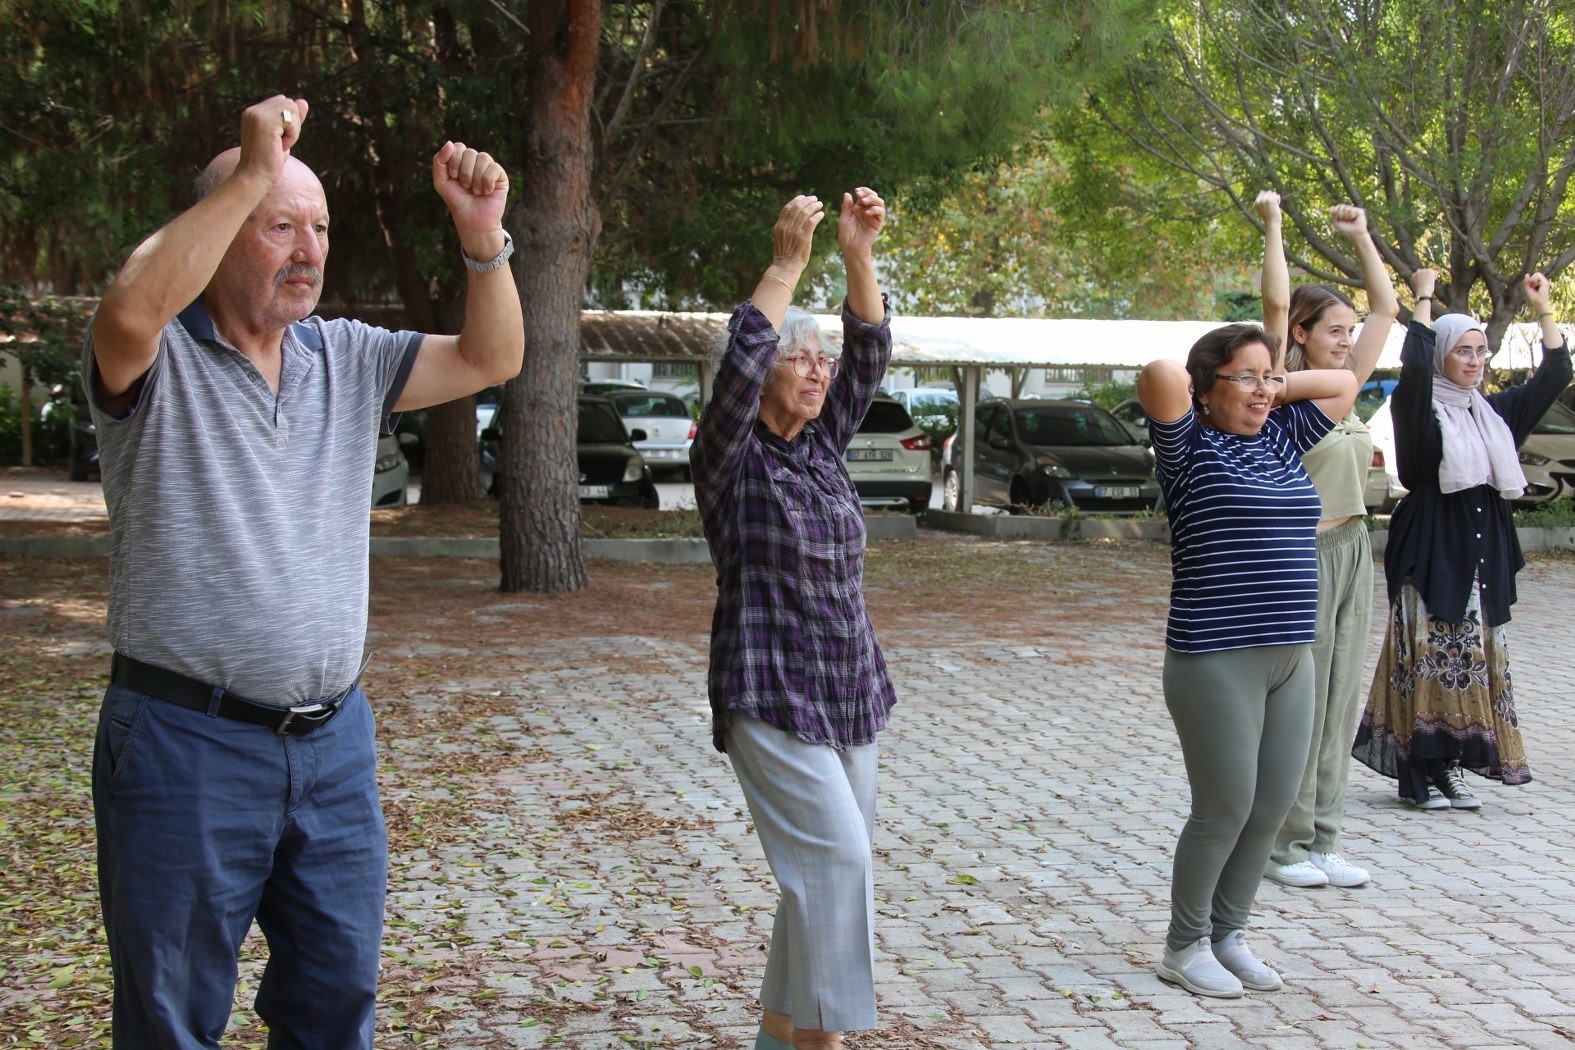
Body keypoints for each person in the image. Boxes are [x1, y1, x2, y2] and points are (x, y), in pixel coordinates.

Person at [86, 95, 524, 1047]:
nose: (309, 249)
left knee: (334, 1010)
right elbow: (128, 306)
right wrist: (249, 167)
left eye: (319, 227)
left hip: (332, 749)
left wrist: (483, 241)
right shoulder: (158, 360)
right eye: (278, 224)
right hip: (181, 745)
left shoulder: (348, 358)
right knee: (170, 1025)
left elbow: (495, 355)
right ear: (216, 237)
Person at [689, 188, 892, 1050]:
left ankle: (781, 1037)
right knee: (838, 865)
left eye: (820, 360)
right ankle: (830, 1042)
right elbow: (739, 362)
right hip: (768, 691)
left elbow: (872, 354)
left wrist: (856, 256)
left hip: (850, 690)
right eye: (797, 357)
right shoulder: (728, 459)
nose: (815, 369)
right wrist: (785, 266)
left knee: (815, 879)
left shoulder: (819, 445)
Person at [1138, 321, 1358, 998]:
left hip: (1292, 653)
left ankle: (1228, 935)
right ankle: (1183, 944)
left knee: (1270, 808)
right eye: (1246, 378)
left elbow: (1345, 383)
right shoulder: (1186, 445)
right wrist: (1223, 379)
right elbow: (1157, 373)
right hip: (1215, 655)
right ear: (1205, 390)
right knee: (1224, 806)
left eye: (1271, 378)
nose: (1264, 392)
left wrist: (1267, 383)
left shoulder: (1281, 437)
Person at [1352, 270, 1570, 810]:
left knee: (1469, 658)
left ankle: (1450, 767)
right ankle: (1420, 773)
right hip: (1431, 546)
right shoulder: (1418, 408)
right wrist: (1423, 300)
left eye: (1481, 353)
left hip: (1481, 549)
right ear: (1444, 354)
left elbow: (1556, 373)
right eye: (1464, 352)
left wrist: (1543, 308)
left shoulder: (1494, 414)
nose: (1474, 362)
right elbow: (1417, 364)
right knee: (1427, 657)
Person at [1256, 193, 1399, 890]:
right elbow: (1275, 312)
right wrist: (1274, 226)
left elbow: (1386, 314)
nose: (1346, 339)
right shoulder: (1284, 400)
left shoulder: (1342, 390)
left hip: (1352, 550)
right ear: (1304, 336)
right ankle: (1282, 845)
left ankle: (1322, 838)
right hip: (1301, 557)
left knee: (1341, 699)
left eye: (1348, 330)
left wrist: (1362, 237)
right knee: (1301, 707)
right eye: (1332, 329)